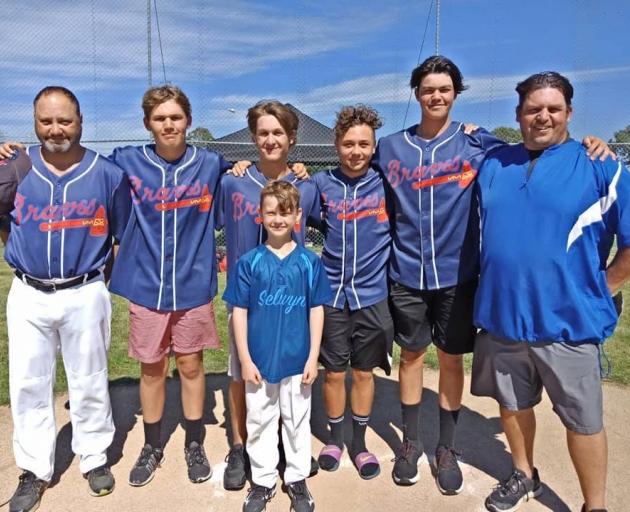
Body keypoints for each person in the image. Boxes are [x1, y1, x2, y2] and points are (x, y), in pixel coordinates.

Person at [372, 55, 613, 494]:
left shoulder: (478, 144)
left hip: (458, 274)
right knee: (409, 357)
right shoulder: (389, 147)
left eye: (445, 89)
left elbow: (544, 147)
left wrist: (591, 144)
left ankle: (446, 447)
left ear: (456, 93)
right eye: (428, 89)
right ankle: (411, 443)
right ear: (416, 93)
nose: (436, 96)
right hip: (406, 271)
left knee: (450, 359)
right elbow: (351, 173)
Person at [472, 71, 630, 512]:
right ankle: (524, 474)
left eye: (553, 109)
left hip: (568, 323)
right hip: (504, 316)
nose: (543, 116)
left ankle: (594, 504)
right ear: (518, 114)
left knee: (584, 421)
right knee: (513, 404)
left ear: (569, 113)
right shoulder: (493, 162)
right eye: (533, 108)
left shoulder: (602, 166)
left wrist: (606, 287)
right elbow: (463, 140)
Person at [2, 86, 131, 512]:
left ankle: (93, 457)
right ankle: (35, 468)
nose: (55, 129)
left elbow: (120, 232)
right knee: (28, 383)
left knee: (90, 376)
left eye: (64, 120)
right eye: (46, 120)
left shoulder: (106, 173)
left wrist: (98, 284)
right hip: (28, 293)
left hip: (84, 288)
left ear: (80, 122)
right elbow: (4, 219)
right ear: (35, 122)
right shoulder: (16, 165)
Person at [107, 85, 236, 487]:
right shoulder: (127, 160)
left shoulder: (210, 163)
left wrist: (296, 170)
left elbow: (244, 171)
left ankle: (194, 442)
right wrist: (20, 154)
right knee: (151, 368)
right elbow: (78, 165)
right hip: (147, 285)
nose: (168, 124)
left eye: (176, 117)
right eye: (160, 118)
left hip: (192, 283)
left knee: (192, 365)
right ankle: (152, 444)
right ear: (147, 123)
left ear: (189, 121)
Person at [215, 99, 319, 490]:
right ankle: (240, 446)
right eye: (263, 132)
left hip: (292, 301)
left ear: (291, 138)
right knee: (242, 373)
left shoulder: (306, 186)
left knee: (292, 378)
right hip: (246, 301)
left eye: (278, 132)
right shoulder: (233, 180)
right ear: (253, 137)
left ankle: (287, 447)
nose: (270, 139)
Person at [223, 180, 331, 512]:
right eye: (271, 212)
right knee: (259, 420)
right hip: (259, 360)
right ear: (260, 215)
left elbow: (316, 309)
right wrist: (244, 358)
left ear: (298, 216)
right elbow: (238, 312)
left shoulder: (309, 263)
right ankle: (264, 481)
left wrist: (313, 356)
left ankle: (297, 479)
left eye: (285, 212)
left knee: (298, 420)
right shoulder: (249, 262)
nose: (278, 219)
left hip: (298, 361)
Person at [311, 105, 393, 479]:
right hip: (331, 295)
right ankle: (335, 439)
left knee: (363, 373)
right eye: (348, 144)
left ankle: (359, 444)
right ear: (336, 144)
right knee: (333, 373)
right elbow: (289, 202)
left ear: (374, 146)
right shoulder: (321, 183)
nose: (356, 151)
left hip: (372, 294)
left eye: (363, 144)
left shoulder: (387, 182)